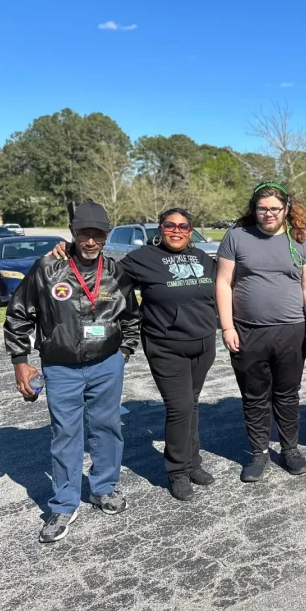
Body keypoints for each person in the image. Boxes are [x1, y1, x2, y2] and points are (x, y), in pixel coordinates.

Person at [50, 208, 218, 502]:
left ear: (191, 231)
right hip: (166, 345)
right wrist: (71, 249)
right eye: (169, 225)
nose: (176, 230)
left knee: (191, 405)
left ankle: (193, 463)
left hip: (203, 342)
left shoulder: (203, 258)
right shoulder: (143, 259)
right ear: (160, 228)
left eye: (183, 226)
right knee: (179, 406)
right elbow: (101, 270)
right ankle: (177, 470)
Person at [4, 202, 140, 542]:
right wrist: (20, 361)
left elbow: (132, 318)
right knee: (65, 433)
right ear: (73, 232)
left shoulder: (116, 272)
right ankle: (64, 503)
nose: (91, 241)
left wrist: (123, 352)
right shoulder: (49, 268)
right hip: (61, 366)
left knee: (107, 427)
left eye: (98, 234)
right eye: (84, 234)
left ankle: (103, 488)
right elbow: (19, 315)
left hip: (107, 363)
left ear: (106, 235)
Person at [216, 182, 306, 482]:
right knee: (255, 395)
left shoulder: (299, 241)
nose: (268, 213)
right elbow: (223, 283)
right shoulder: (237, 237)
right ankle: (258, 453)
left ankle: (290, 449)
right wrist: (226, 326)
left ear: (286, 209)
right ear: (254, 209)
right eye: (262, 208)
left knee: (287, 395)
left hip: (291, 330)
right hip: (248, 331)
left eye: (275, 208)